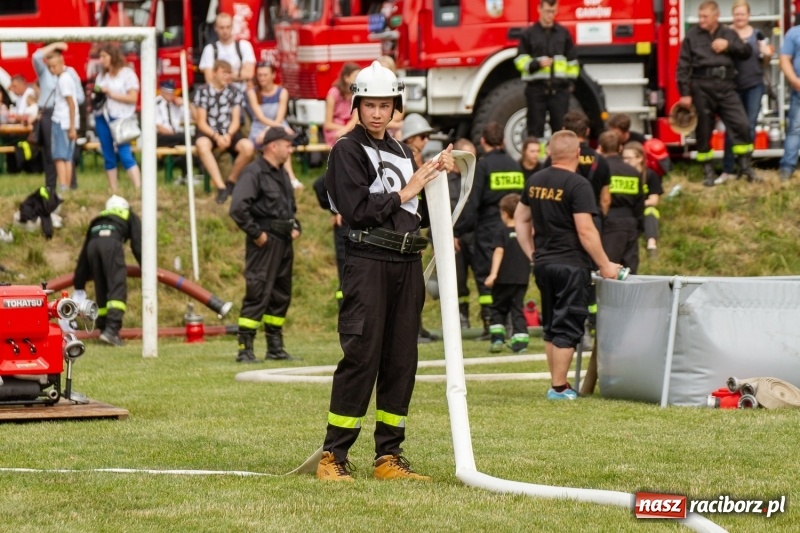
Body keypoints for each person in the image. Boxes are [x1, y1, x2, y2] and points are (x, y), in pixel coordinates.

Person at [317, 60, 454, 481]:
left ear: (395, 107)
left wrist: (439, 179)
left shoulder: (401, 151)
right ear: (357, 106)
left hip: (406, 262)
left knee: (401, 359)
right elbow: (358, 211)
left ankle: (388, 456)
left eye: (384, 105)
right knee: (362, 355)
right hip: (368, 262)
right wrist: (407, 189)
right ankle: (333, 456)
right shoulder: (346, 150)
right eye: (369, 105)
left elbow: (416, 213)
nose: (377, 113)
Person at [514, 130, 621, 400]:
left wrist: (531, 253)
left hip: (544, 264)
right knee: (568, 324)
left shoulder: (535, 179)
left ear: (549, 152)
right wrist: (605, 264)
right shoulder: (578, 184)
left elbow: (520, 219)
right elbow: (586, 231)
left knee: (551, 324)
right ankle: (560, 388)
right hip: (571, 264)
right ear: (578, 154)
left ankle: (555, 383)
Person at [230, 128, 301, 363]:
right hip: (265, 241)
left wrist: (295, 224)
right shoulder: (254, 172)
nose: (290, 149)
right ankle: (245, 348)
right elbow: (238, 208)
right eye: (287, 145)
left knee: (281, 294)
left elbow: (288, 206)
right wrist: (256, 233)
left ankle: (275, 346)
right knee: (258, 291)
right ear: (273, 146)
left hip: (283, 241)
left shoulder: (281, 173)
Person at [453, 122, 525, 340]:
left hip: (489, 231)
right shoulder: (514, 165)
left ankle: (492, 325)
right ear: (502, 141)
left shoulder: (483, 166)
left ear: (483, 141)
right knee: (512, 275)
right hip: (516, 229)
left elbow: (472, 204)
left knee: (486, 277)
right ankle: (513, 323)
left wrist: (457, 230)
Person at [676, 0, 759, 186]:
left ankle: (745, 167)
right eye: (700, 16)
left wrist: (728, 45)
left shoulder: (728, 33)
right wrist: (684, 93)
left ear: (716, 17)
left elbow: (746, 52)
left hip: (727, 85)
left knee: (741, 124)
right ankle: (708, 171)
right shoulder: (691, 36)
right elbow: (682, 66)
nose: (701, 20)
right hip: (701, 86)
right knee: (703, 130)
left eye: (705, 17)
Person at [73, 195, 142, 347]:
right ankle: (111, 330)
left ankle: (103, 327)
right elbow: (138, 244)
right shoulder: (128, 214)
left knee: (101, 287)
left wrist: (79, 282)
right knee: (117, 286)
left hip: (93, 247)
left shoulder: (98, 219)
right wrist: (146, 268)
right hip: (111, 244)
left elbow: (84, 253)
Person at [717, 0, 773, 184]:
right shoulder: (726, 33)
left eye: (743, 14)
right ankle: (728, 169)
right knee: (732, 127)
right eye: (737, 14)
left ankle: (746, 167)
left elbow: (764, 62)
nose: (740, 17)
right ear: (733, 15)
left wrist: (767, 54)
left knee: (749, 125)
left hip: (754, 85)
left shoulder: (758, 34)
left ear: (748, 15)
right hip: (732, 87)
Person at [514, 0, 579, 141]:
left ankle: (556, 159)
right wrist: (537, 64)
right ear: (539, 9)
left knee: (560, 131)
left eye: (553, 11)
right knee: (535, 130)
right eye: (548, 11)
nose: (551, 15)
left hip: (559, 90)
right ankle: (539, 160)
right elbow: (520, 60)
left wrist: (570, 84)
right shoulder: (529, 34)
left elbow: (572, 61)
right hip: (536, 89)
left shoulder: (563, 33)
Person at [193, 60, 255, 204]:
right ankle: (220, 186)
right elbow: (201, 122)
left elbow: (235, 119)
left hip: (229, 131)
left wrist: (228, 135)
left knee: (248, 147)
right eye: (224, 72)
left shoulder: (234, 91)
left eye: (229, 73)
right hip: (209, 132)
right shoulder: (203, 91)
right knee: (202, 145)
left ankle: (231, 181)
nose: (227, 76)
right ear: (214, 72)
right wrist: (216, 136)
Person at [400, 113, 438, 344]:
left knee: (415, 287)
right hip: (405, 230)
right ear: (411, 137)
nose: (426, 141)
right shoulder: (405, 160)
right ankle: (410, 331)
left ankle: (418, 327)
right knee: (408, 289)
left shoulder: (415, 159)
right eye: (422, 136)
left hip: (415, 227)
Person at [32, 42, 83, 191]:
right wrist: (54, 45)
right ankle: (51, 186)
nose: (51, 67)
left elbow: (78, 98)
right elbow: (36, 56)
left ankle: (69, 185)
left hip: (64, 116)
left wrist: (64, 98)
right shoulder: (44, 71)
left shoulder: (69, 74)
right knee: (51, 153)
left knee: (64, 153)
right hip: (49, 113)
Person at [485, 193, 530, 354]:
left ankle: (497, 339)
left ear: (504, 213)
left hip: (503, 279)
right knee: (517, 309)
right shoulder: (526, 231)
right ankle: (521, 342)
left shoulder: (501, 231)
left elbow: (498, 251)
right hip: (521, 279)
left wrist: (493, 274)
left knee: (498, 308)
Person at [245, 61, 302, 189]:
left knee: (283, 140)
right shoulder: (252, 93)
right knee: (278, 137)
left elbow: (280, 117)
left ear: (273, 75)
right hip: (260, 127)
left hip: (278, 124)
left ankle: (290, 177)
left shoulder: (282, 92)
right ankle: (279, 178)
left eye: (265, 75)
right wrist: (269, 129)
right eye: (259, 75)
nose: (262, 78)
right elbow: (260, 117)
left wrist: (271, 129)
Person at [94, 43, 142, 193]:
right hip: (103, 116)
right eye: (100, 57)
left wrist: (111, 93)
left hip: (121, 118)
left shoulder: (127, 74)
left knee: (124, 152)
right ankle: (113, 190)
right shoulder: (101, 76)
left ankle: (138, 188)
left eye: (104, 56)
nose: (101, 60)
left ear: (112, 56)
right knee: (108, 154)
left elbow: (133, 98)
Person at [597, 131, 645, 274]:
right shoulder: (633, 172)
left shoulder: (600, 170)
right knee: (629, 272)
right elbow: (639, 202)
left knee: (608, 270)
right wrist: (638, 226)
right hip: (631, 223)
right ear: (620, 148)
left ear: (601, 148)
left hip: (609, 223)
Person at [449, 138, 478, 329]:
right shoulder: (444, 180)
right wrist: (446, 237)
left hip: (475, 236)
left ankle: (490, 320)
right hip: (454, 238)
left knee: (483, 279)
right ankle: (461, 316)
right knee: (457, 282)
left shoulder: (476, 177)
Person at [623, 141, 663, 257]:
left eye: (628, 158)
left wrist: (638, 204)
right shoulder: (622, 174)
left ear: (639, 158)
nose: (625, 161)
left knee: (651, 211)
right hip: (628, 212)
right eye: (623, 158)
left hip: (642, 210)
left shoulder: (650, 175)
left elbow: (654, 201)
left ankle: (651, 245)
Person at [198, 12, 257, 91]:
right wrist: (238, 75)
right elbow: (209, 79)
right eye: (222, 28)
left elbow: (249, 74)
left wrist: (221, 77)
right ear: (216, 28)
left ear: (232, 27)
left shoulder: (244, 46)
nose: (225, 31)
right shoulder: (209, 49)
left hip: (242, 93)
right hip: (219, 95)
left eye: (228, 27)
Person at [47, 50, 79, 193]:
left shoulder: (63, 79)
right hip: (69, 122)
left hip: (62, 121)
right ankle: (66, 187)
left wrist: (72, 127)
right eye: (50, 67)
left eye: (54, 66)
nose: (52, 69)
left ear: (61, 62)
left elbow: (71, 104)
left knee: (59, 156)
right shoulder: (67, 77)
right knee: (67, 157)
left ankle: (63, 186)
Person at [778, 15, 800, 181]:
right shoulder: (793, 33)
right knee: (795, 130)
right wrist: (794, 81)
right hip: (799, 90)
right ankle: (787, 167)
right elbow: (784, 59)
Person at [323, 62, 361, 146]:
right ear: (346, 78)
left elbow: (355, 119)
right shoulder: (334, 93)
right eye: (355, 77)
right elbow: (328, 124)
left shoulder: (357, 94)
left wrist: (347, 129)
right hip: (336, 130)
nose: (358, 80)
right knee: (343, 138)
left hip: (351, 128)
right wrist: (344, 129)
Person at [155, 80, 187, 147]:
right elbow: (159, 127)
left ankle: (180, 157)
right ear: (161, 92)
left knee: (188, 138)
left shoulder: (175, 104)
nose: (171, 95)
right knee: (183, 138)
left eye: (172, 93)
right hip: (160, 136)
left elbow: (193, 117)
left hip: (173, 135)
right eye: (167, 93)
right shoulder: (156, 103)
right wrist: (174, 134)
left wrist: (187, 104)